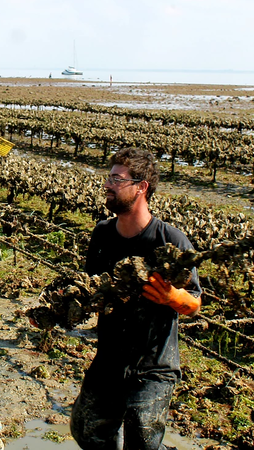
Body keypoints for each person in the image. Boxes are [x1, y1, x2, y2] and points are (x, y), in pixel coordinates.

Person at [70, 147, 202, 450]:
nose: (108, 185)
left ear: (141, 187)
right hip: (110, 358)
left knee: (142, 439)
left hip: (153, 366)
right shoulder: (102, 234)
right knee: (86, 430)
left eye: (117, 179)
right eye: (109, 178)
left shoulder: (170, 240)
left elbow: (194, 303)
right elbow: (92, 290)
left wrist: (172, 296)